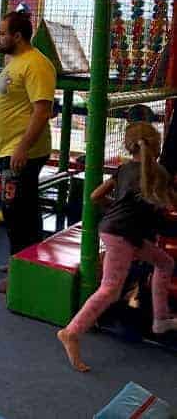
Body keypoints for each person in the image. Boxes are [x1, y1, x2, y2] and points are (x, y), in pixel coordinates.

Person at [57, 122, 177, 372]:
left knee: (165, 262)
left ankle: (161, 320)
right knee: (111, 289)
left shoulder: (123, 170)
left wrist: (117, 209)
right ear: (157, 145)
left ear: (128, 145)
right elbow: (171, 203)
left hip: (120, 232)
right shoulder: (160, 173)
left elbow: (95, 197)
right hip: (122, 236)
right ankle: (71, 332)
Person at [0, 10, 56, 292]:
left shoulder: (36, 64)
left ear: (17, 36)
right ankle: (25, 261)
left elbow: (42, 111)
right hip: (8, 148)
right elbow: (5, 100)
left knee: (16, 210)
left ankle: (20, 272)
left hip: (23, 151)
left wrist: (22, 148)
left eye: (2, 33)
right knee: (20, 208)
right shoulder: (14, 62)